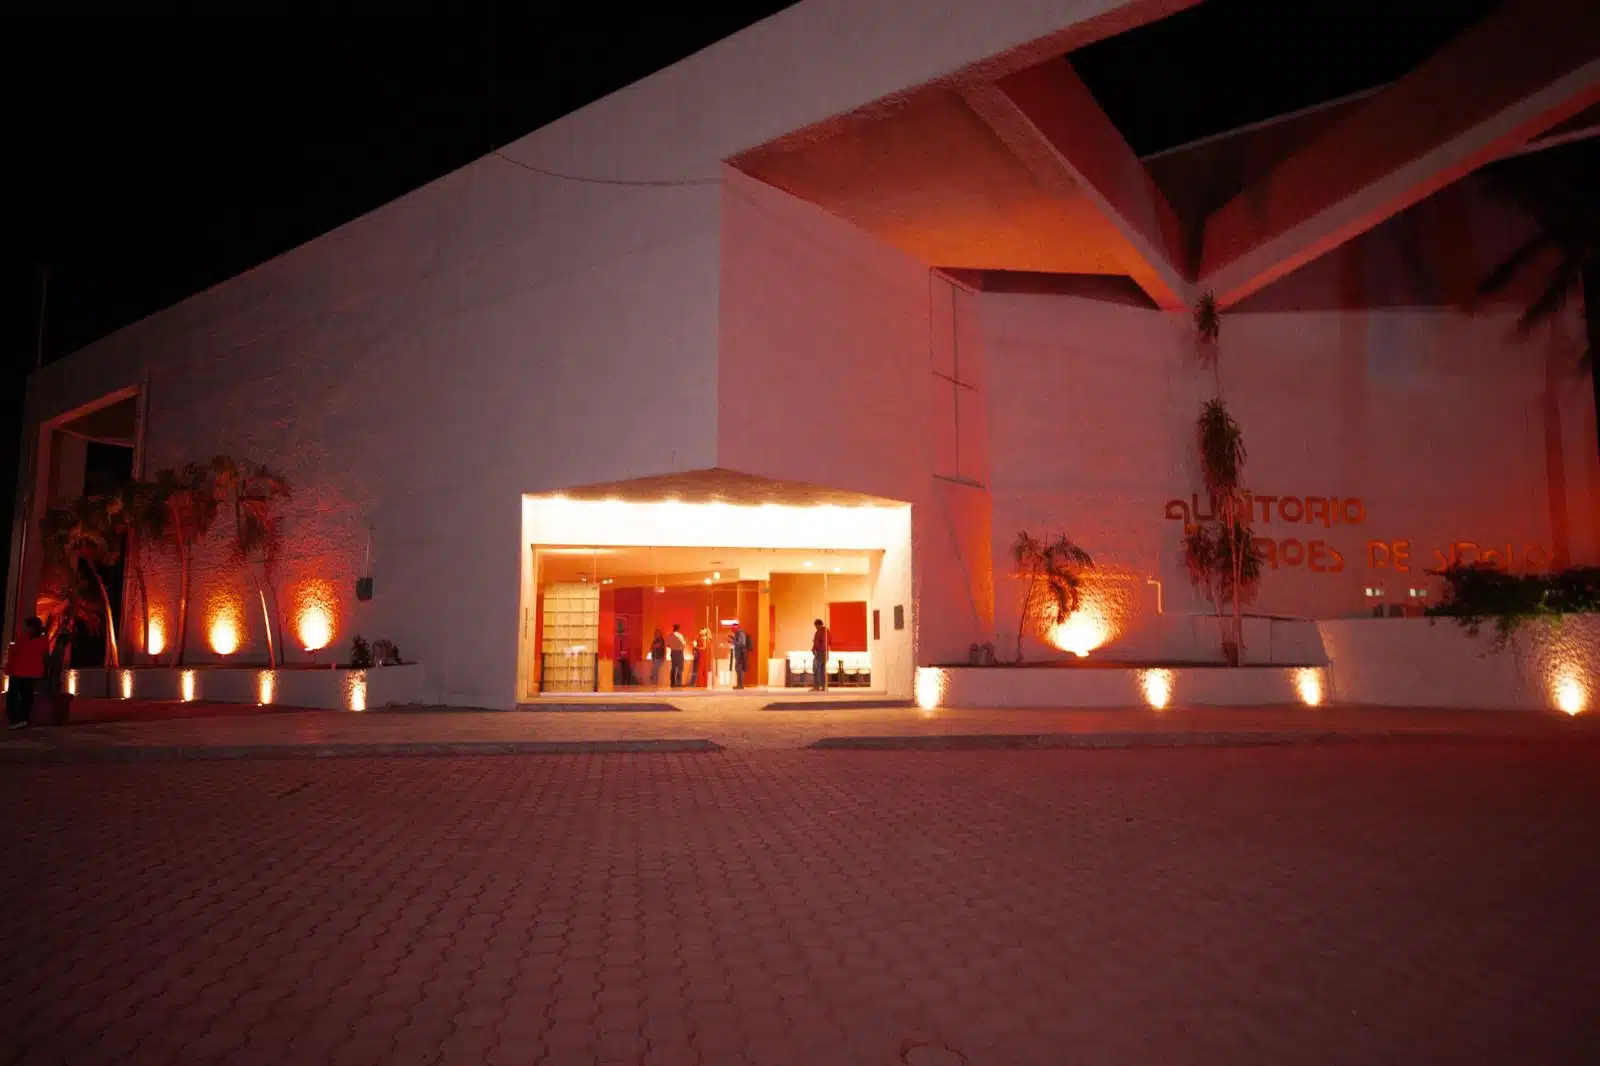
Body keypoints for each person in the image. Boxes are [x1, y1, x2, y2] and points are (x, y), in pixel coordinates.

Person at [5, 617, 49, 730]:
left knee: (16, 697)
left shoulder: (27, 639)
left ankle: (18, 720)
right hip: (28, 672)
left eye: (29, 626)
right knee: (25, 697)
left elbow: (17, 651)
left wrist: (12, 649)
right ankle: (23, 719)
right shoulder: (41, 640)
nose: (27, 628)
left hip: (21, 672)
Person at [811, 618, 831, 692]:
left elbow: (816, 643)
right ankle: (823, 686)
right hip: (826, 653)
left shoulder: (819, 632)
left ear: (818, 625)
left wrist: (813, 649)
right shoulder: (827, 632)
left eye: (816, 626)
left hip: (819, 652)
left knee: (816, 670)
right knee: (823, 670)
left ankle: (817, 686)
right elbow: (830, 642)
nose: (815, 627)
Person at [729, 622, 750, 690]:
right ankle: (739, 685)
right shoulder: (738, 633)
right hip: (740, 654)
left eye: (732, 628)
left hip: (740, 655)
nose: (731, 629)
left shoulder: (740, 633)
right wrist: (733, 639)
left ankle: (740, 685)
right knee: (738, 669)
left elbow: (741, 643)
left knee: (739, 670)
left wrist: (732, 642)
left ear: (736, 628)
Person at [668, 623, 687, 688]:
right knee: (680, 668)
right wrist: (684, 643)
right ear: (678, 629)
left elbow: (667, 644)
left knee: (673, 667)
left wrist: (672, 646)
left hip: (673, 652)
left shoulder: (670, 635)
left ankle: (672, 683)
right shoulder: (679, 636)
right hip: (679, 652)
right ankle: (679, 683)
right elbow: (683, 644)